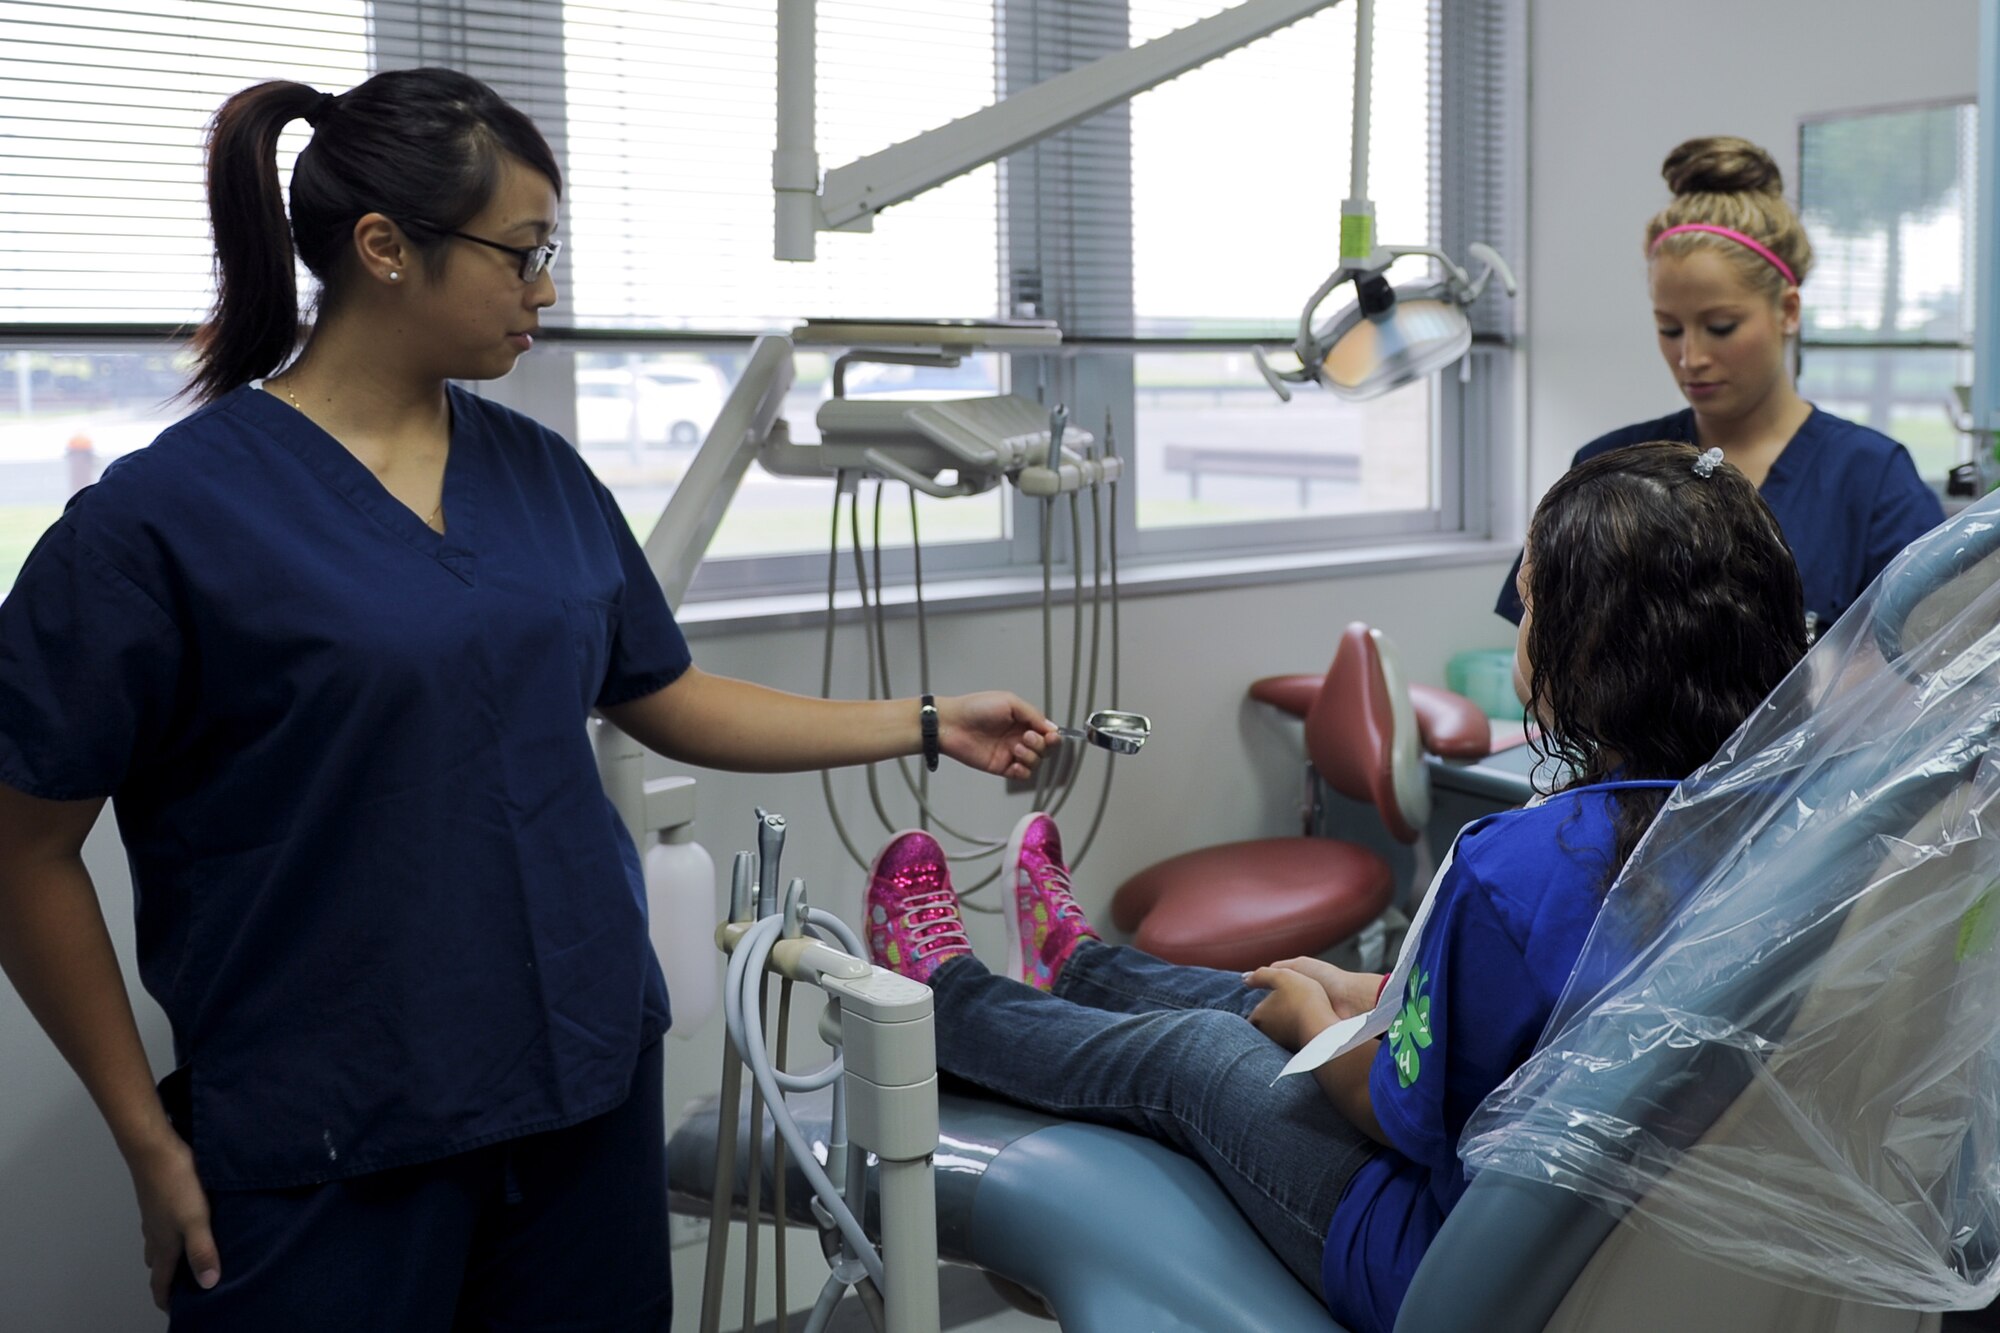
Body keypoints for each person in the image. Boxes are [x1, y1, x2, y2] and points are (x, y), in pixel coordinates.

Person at [0, 70, 1058, 1331]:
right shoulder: (162, 522)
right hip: (328, 1137)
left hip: (577, 1103)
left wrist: (930, 721)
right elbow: (24, 849)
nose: (543, 291)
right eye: (521, 254)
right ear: (386, 250)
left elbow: (664, 695)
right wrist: (145, 1140)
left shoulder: (541, 477)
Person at [865, 440, 1808, 1333]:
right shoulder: (1786, 840)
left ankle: (943, 999)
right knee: (1261, 986)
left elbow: (1394, 1108)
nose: (1519, 625)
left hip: (1439, 1266)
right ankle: (1082, 970)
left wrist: (1320, 1024)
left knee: (1198, 1049)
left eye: (1528, 603)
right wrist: (1370, 997)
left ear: (1588, 647)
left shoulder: (1518, 871)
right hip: (1600, 1245)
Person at [1496, 135, 1942, 638]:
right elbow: (1534, 662)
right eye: (1669, 329)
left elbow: (1926, 673)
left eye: (1721, 326)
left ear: (1788, 311)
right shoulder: (1609, 470)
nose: (1691, 357)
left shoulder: (1870, 481)